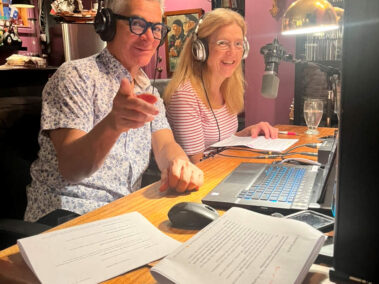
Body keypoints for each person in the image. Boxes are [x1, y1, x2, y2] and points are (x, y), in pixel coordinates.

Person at [24, 0, 203, 222]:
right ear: (108, 25)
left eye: (156, 28)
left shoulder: (149, 91)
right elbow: (72, 168)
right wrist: (113, 124)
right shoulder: (75, 76)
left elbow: (166, 144)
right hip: (66, 215)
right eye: (137, 24)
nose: (149, 37)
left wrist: (179, 163)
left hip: (123, 214)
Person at [164, 8, 278, 164]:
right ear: (200, 49)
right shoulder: (185, 95)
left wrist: (249, 132)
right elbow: (198, 163)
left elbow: (222, 143)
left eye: (238, 44)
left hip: (223, 175)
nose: (233, 52)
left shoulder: (228, 87)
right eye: (222, 43)